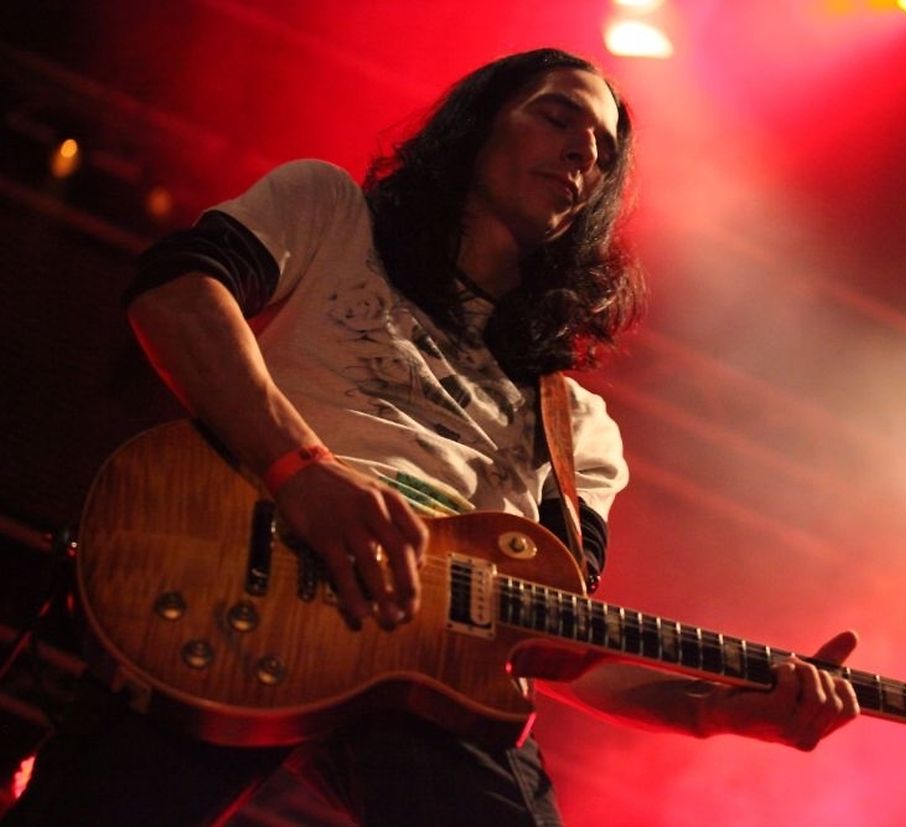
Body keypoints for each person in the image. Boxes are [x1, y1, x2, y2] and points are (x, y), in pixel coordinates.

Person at [7, 48, 860, 826]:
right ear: (477, 125)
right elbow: (175, 294)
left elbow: (560, 639)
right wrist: (302, 471)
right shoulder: (330, 212)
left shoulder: (580, 430)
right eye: (557, 116)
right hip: (235, 585)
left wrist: (716, 710)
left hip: (433, 674)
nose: (582, 153)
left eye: (602, 152)